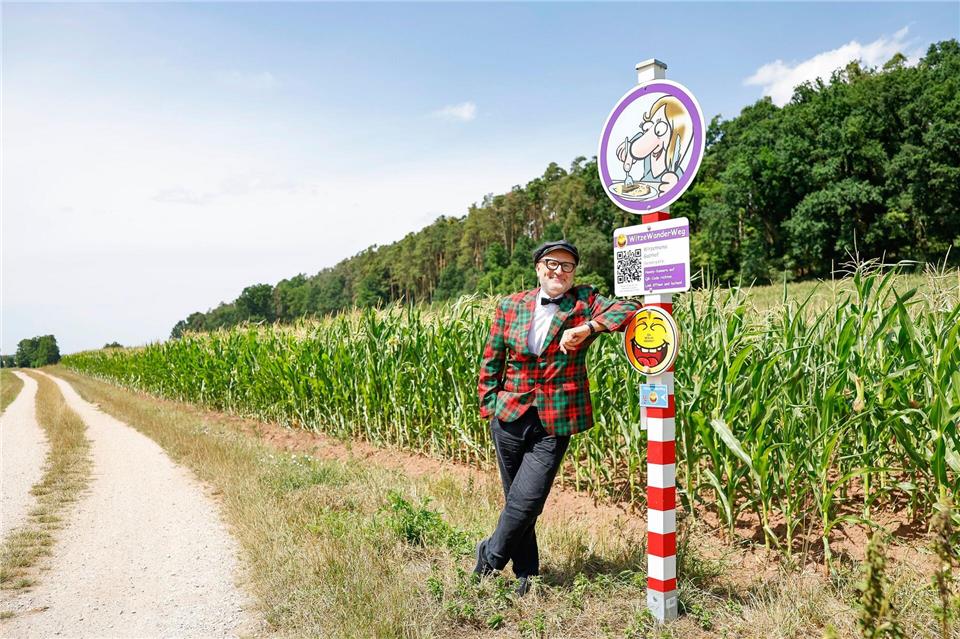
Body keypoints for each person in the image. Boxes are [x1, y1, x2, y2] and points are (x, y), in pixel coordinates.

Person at [474, 239, 639, 596]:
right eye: (552, 263)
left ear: (574, 273)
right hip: (509, 414)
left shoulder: (583, 301)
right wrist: (490, 405)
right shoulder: (510, 305)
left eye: (567, 266)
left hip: (555, 418)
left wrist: (589, 328)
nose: (559, 271)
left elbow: (630, 308)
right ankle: (527, 573)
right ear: (538, 269)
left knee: (529, 499)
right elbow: (492, 359)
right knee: (517, 500)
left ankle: (489, 557)